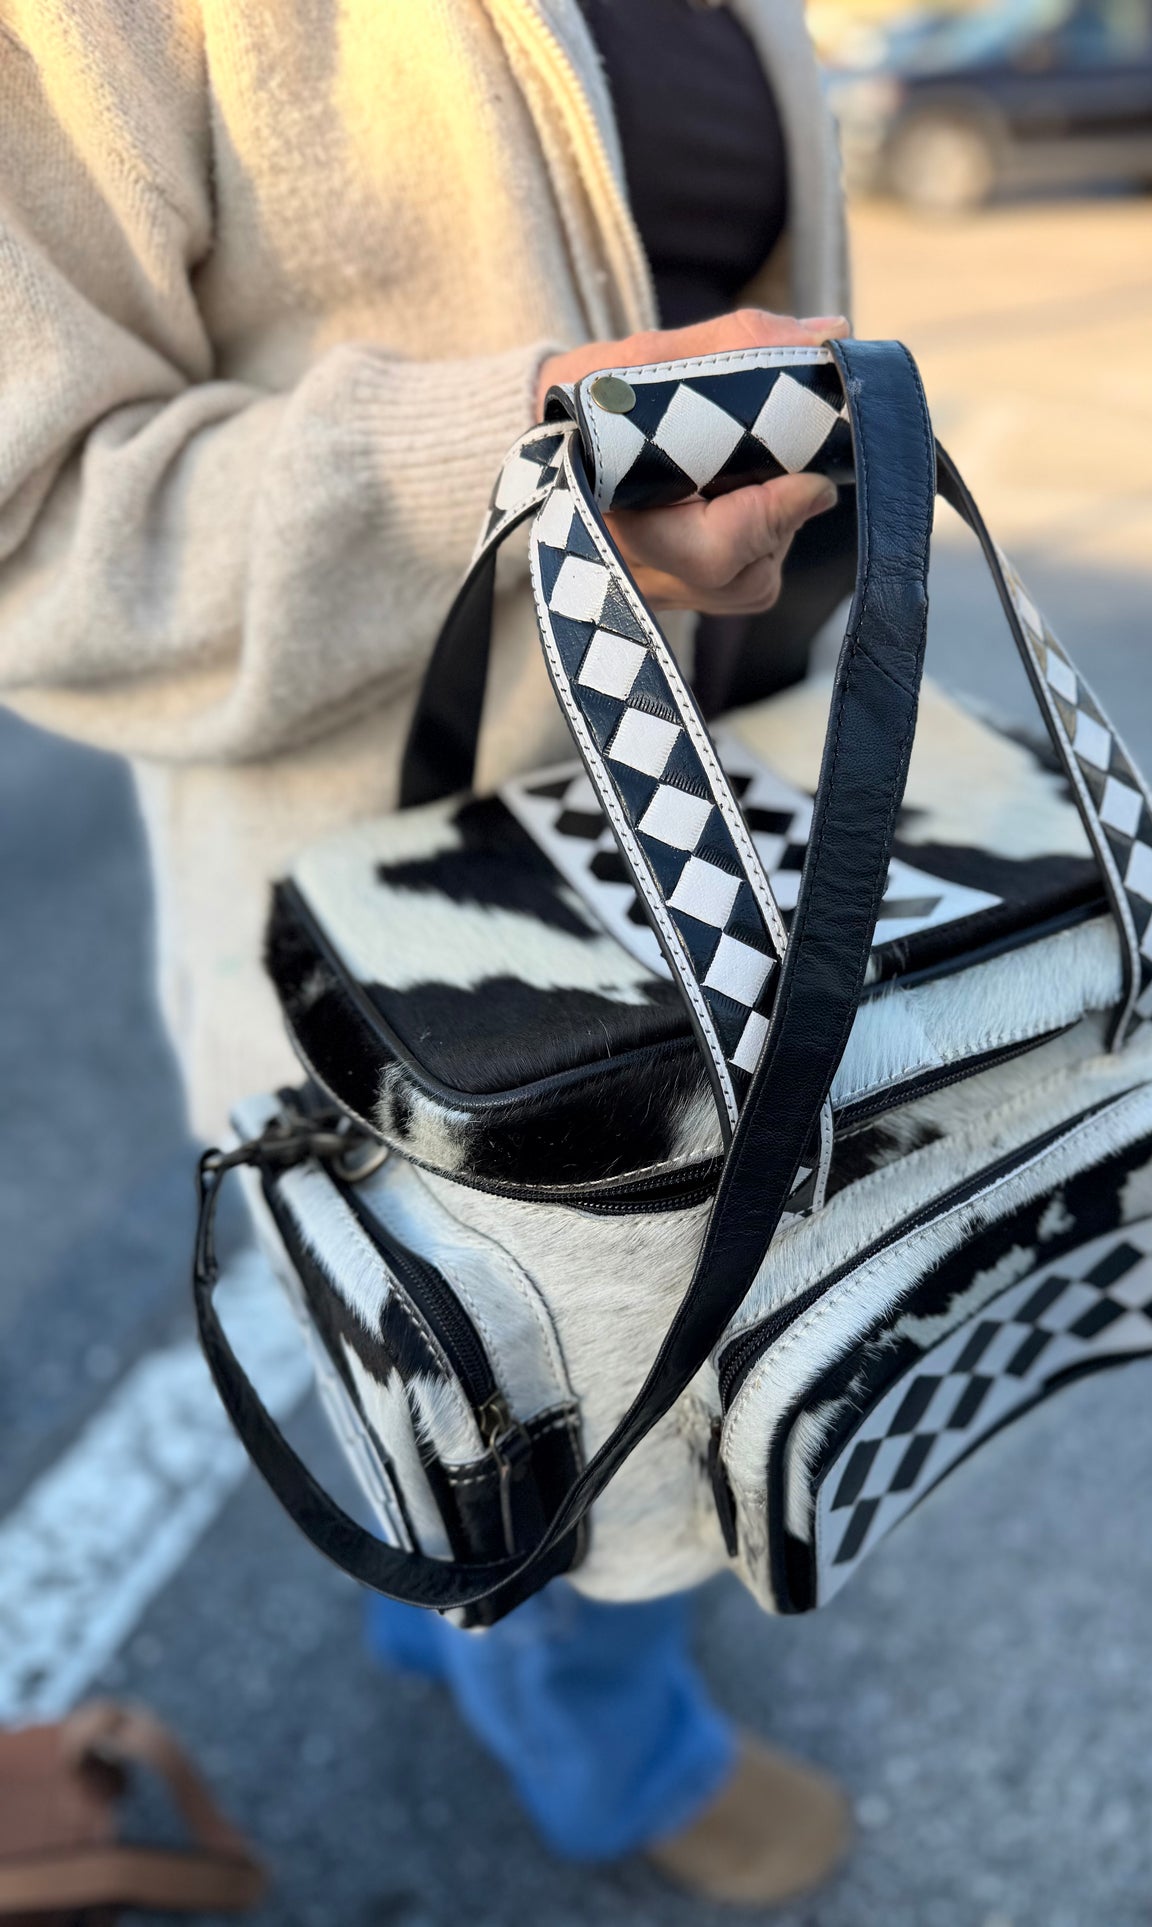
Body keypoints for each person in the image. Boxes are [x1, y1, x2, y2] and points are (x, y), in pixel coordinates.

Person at [0, 0, 855, 1905]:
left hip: (734, 816)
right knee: (561, 1402)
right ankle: (615, 1769)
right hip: (428, 930)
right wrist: (536, 469)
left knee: (554, 1383)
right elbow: (36, 507)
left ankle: (468, 1621)